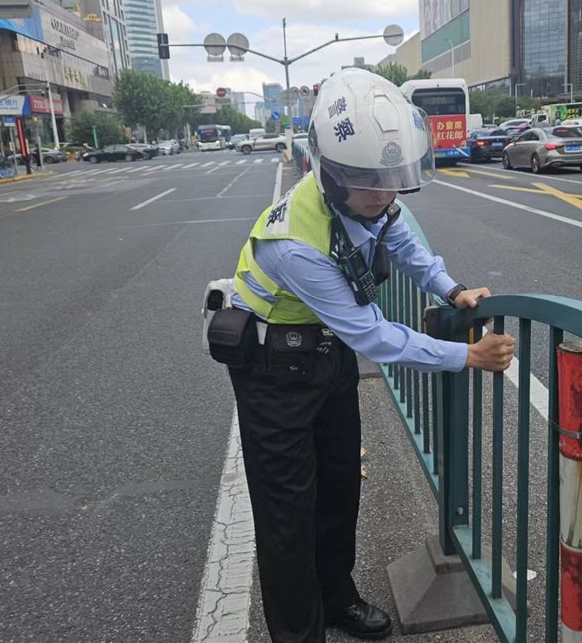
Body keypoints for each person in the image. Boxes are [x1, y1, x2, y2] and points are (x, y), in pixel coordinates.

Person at [214, 68, 515, 642]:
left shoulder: (374, 202)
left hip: (327, 364)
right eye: (373, 184)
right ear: (329, 173)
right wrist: (465, 355)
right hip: (274, 370)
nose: (387, 195)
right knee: (287, 517)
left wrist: (451, 290)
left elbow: (403, 243)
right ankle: (300, 634)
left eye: (395, 181)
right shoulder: (296, 244)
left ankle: (337, 597)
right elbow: (373, 335)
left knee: (339, 489)